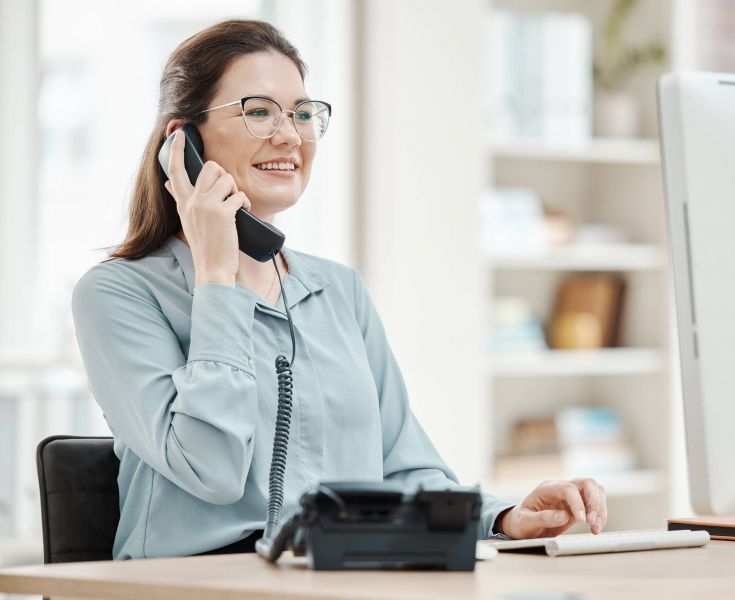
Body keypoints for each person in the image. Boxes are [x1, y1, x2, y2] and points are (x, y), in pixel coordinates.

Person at [71, 19, 607, 560]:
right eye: (259, 111)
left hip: (336, 579)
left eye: (303, 113)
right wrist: (216, 276)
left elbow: (403, 468)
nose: (290, 135)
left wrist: (506, 519)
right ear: (182, 142)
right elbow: (211, 468)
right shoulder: (117, 294)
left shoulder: (338, 290)